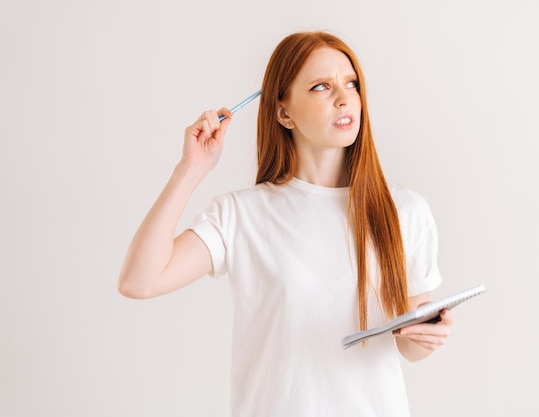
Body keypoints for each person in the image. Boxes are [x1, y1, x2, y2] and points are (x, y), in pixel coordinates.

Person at [118, 31, 453, 417]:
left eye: (351, 84)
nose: (345, 98)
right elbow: (139, 281)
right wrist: (190, 169)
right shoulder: (241, 215)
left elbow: (409, 347)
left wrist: (428, 334)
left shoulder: (404, 210)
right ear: (283, 113)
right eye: (321, 87)